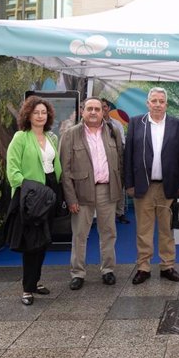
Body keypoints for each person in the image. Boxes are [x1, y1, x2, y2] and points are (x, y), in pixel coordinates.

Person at [124, 87, 179, 284]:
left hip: (168, 186)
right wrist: (129, 183)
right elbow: (128, 156)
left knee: (167, 230)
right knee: (143, 230)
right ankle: (143, 267)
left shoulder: (177, 124)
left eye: (161, 101)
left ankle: (167, 265)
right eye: (154, 101)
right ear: (148, 103)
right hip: (144, 186)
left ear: (166, 104)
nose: (158, 104)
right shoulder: (136, 123)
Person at [60, 96, 124, 290]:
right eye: (90, 109)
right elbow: (65, 170)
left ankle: (108, 270)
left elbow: (120, 163)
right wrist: (71, 198)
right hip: (81, 191)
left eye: (98, 109)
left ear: (103, 112)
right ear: (83, 111)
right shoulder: (71, 134)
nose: (94, 112)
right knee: (80, 234)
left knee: (108, 232)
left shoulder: (112, 131)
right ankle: (78, 273)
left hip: (107, 189)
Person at [5, 96, 62, 306]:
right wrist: (31, 188)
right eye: (36, 112)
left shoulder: (52, 138)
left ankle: (35, 281)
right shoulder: (20, 137)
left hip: (48, 193)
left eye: (44, 113)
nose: (40, 116)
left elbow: (55, 166)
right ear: (28, 115)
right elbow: (12, 172)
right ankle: (27, 289)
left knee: (44, 240)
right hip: (29, 196)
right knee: (31, 242)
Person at [102, 98, 129, 224]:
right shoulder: (92, 124)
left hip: (116, 158)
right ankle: (104, 214)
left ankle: (120, 213)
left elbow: (122, 142)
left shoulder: (117, 124)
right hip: (100, 160)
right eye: (100, 107)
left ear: (109, 108)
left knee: (119, 186)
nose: (102, 109)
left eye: (105, 107)